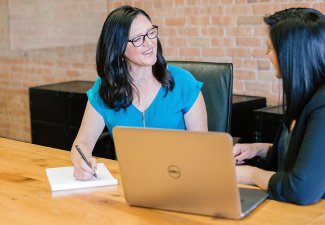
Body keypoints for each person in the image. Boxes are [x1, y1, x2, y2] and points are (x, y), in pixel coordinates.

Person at [71, 5, 208, 180]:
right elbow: (82, 143)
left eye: (151, 33)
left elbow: (202, 151)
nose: (150, 43)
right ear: (118, 48)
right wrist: (81, 163)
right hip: (127, 185)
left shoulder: (183, 83)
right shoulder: (104, 89)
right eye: (138, 39)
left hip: (179, 181)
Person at [233, 7, 325, 205]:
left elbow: (302, 189)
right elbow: (305, 153)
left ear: (291, 54)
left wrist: (251, 175)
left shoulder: (322, 104)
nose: (266, 53)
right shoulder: (307, 95)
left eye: (270, 47)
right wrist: (259, 149)